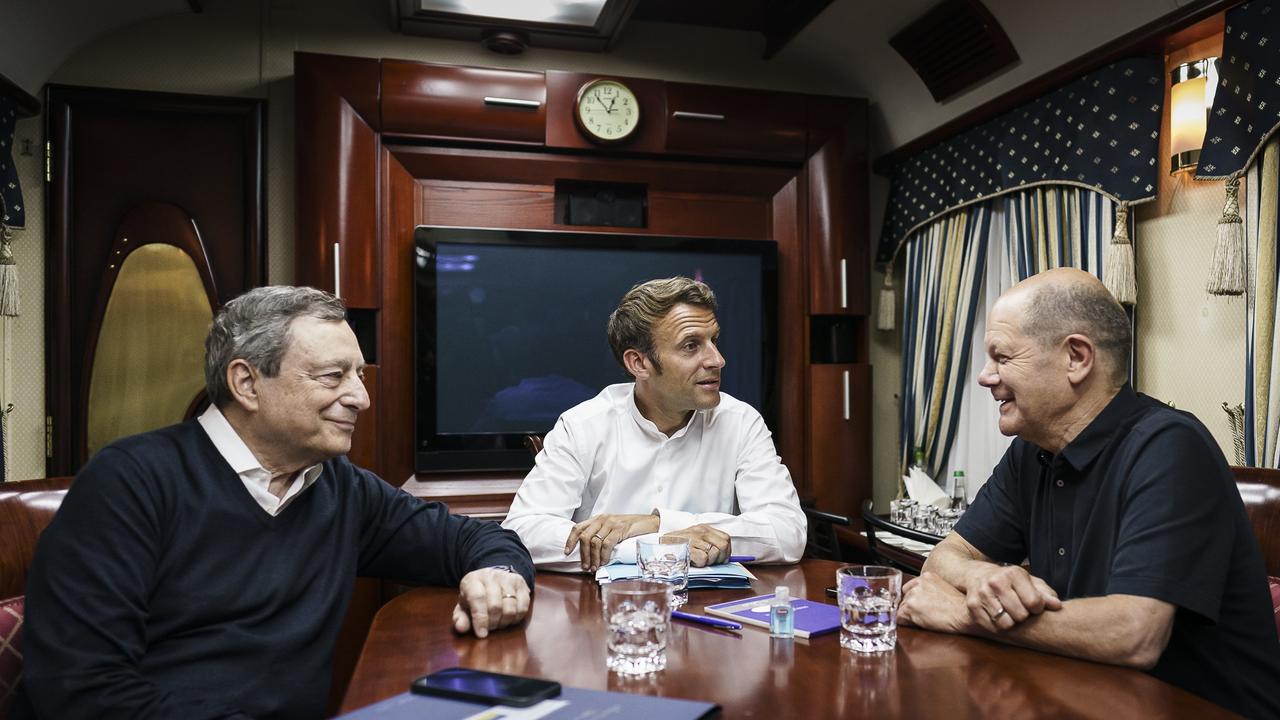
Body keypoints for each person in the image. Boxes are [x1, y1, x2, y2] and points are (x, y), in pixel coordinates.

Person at [15, 286, 535, 720]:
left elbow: (473, 537)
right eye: (333, 377)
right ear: (246, 383)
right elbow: (82, 690)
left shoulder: (340, 487)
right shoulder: (130, 481)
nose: (361, 398)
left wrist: (498, 572)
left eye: (359, 375)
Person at [897, 268, 1280, 718]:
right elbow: (945, 557)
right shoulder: (1029, 452)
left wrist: (967, 616)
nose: (985, 376)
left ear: (1076, 358)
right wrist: (979, 579)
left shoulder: (1171, 447)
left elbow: (1133, 635)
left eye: (1001, 357)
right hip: (1087, 697)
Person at [502, 276, 806, 572]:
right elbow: (523, 531)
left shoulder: (741, 422)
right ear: (639, 363)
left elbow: (787, 532)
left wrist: (660, 524)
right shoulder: (583, 425)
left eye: (714, 341)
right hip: (604, 609)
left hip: (712, 611)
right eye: (690, 346)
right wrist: (650, 547)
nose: (717, 360)